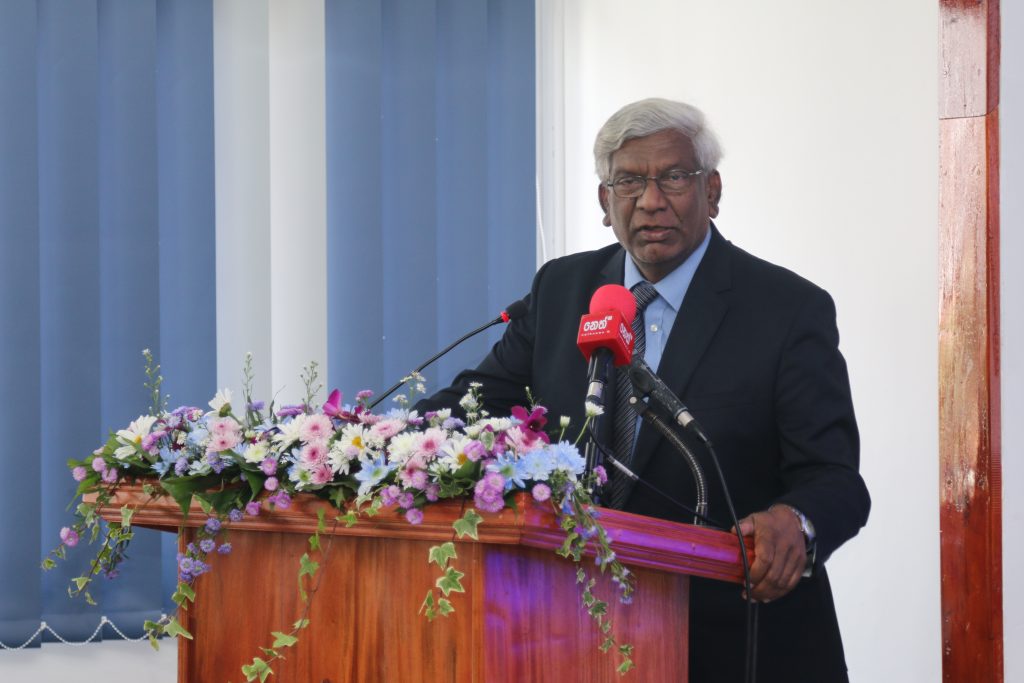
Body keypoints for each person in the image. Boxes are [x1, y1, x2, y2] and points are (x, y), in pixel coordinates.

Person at [419, 98, 870, 682]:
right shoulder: (562, 289)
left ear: (712, 191)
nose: (651, 200)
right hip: (577, 639)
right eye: (629, 181)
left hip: (738, 642)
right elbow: (472, 407)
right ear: (605, 202)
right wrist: (362, 447)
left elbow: (835, 479)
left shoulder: (786, 309)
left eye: (674, 177)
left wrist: (796, 521)